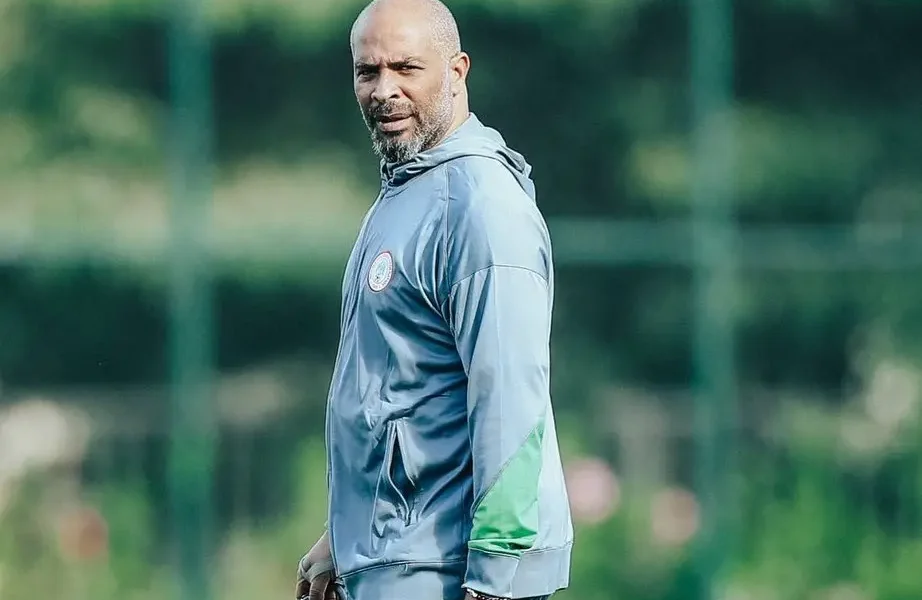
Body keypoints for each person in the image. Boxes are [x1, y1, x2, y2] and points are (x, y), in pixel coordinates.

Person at [296, 0, 573, 598]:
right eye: (367, 72)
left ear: (456, 71)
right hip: (395, 558)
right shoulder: (406, 192)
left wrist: (495, 579)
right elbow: (402, 389)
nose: (383, 90)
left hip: (447, 570)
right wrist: (343, 537)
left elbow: (510, 397)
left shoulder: (481, 205)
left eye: (406, 68)